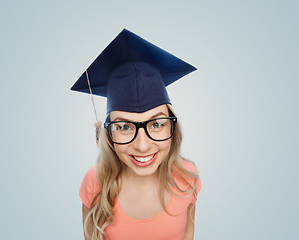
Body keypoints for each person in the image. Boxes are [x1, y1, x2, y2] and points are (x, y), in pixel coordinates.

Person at [71, 29, 202, 240]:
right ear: (107, 133)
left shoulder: (187, 176)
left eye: (157, 124)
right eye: (124, 127)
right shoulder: (95, 181)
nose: (142, 146)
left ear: (172, 128)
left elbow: (188, 233)